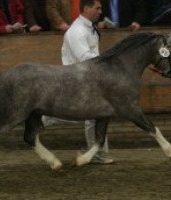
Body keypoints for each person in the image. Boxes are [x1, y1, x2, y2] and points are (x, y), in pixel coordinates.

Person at [61, 0, 114, 164]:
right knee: (93, 115)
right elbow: (84, 58)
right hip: (77, 78)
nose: (100, 11)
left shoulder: (90, 28)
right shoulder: (76, 31)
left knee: (97, 114)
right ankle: (96, 153)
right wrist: (109, 62)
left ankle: (97, 152)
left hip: (88, 76)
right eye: (97, 8)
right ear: (86, 8)